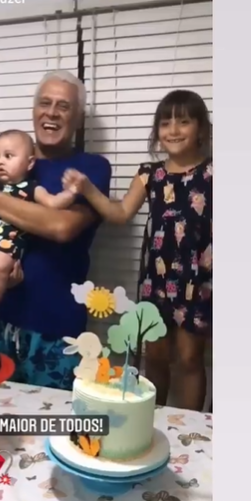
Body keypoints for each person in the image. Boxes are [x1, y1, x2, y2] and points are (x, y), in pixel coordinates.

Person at [0, 70, 112, 390]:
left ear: (78, 118)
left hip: (56, 331)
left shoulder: (90, 169)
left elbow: (61, 226)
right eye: (45, 103)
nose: (51, 113)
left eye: (63, 106)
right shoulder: (4, 161)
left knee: (51, 418)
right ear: (34, 110)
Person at [62, 90, 212, 411]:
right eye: (165, 123)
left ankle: (193, 427)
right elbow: (119, 213)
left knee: (189, 358)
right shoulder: (150, 174)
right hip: (156, 279)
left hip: (198, 281)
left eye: (184, 122)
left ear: (201, 129)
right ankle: (150, 418)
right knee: (154, 354)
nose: (173, 130)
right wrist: (87, 188)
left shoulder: (213, 172)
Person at [0, 129, 75, 327]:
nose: (0, 162)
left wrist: (71, 192)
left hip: (2, 245)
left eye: (8, 156)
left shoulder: (31, 188)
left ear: (30, 163)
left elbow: (53, 203)